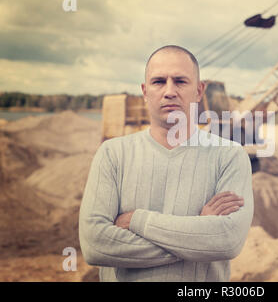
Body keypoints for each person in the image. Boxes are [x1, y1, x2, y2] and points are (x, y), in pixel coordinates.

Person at [79, 45, 254, 282]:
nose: (169, 91)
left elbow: (227, 241)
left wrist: (136, 221)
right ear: (145, 91)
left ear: (199, 90)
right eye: (159, 81)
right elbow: (95, 245)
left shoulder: (230, 156)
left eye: (180, 81)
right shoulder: (112, 154)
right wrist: (198, 235)